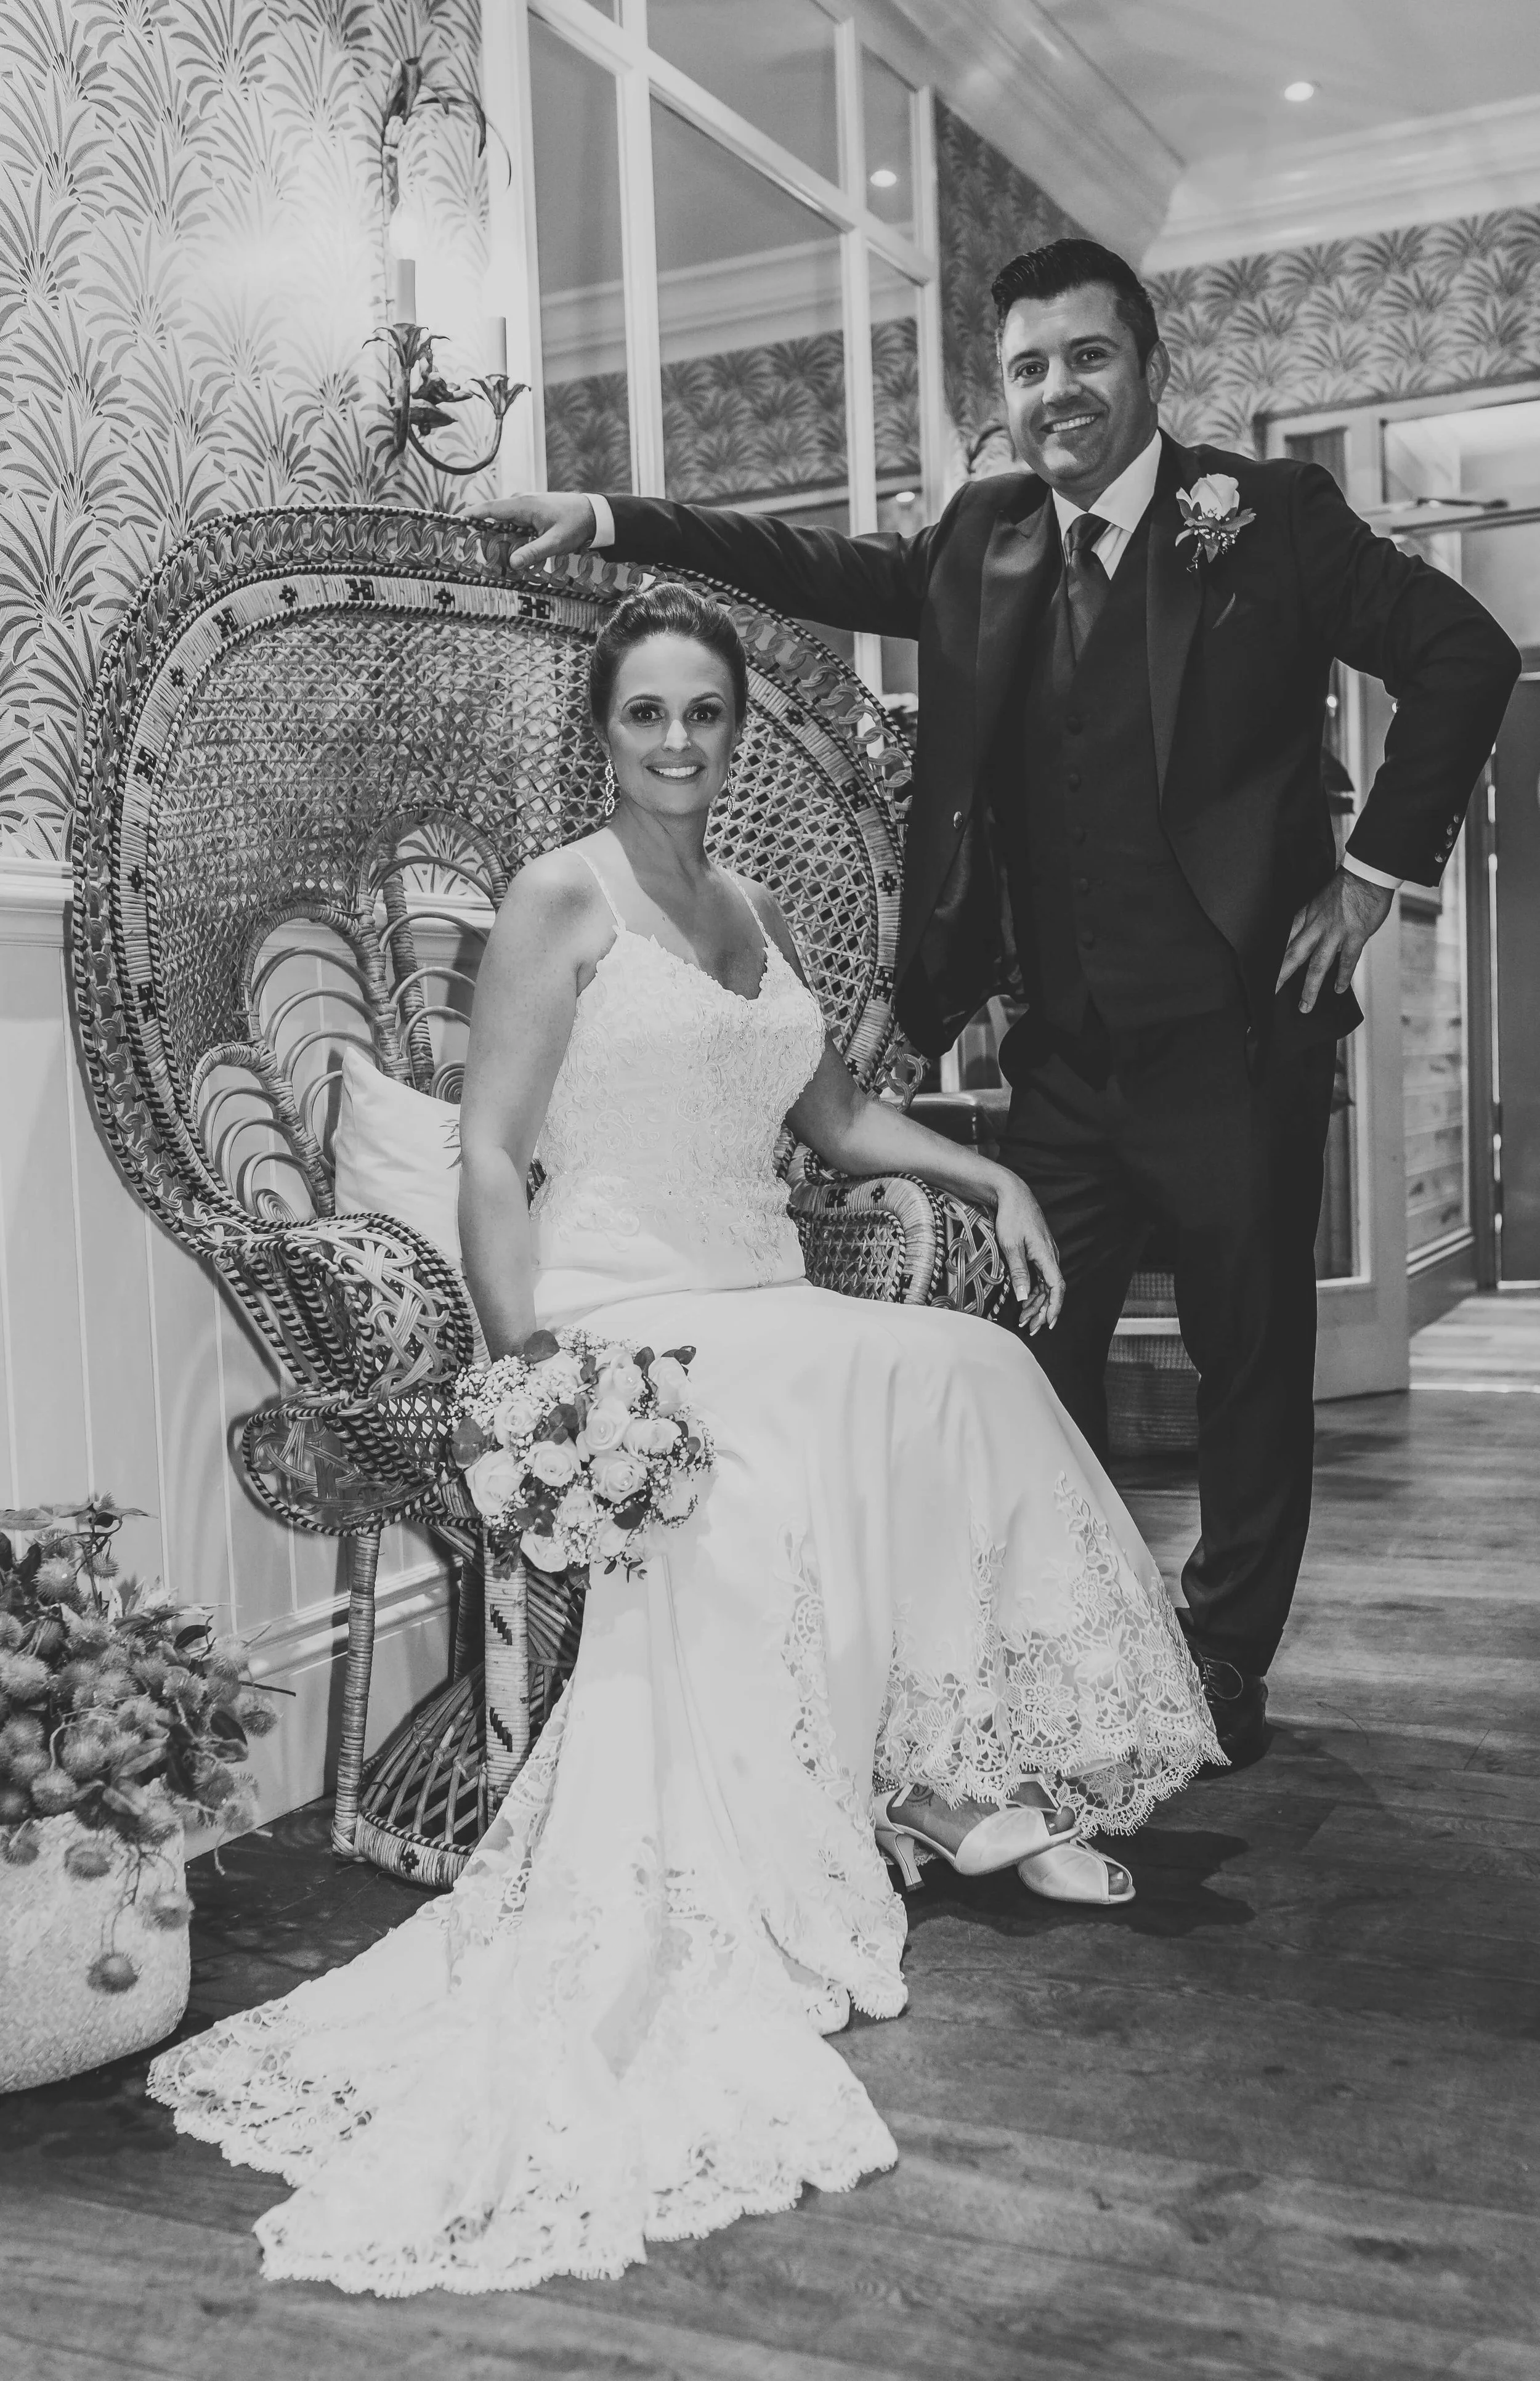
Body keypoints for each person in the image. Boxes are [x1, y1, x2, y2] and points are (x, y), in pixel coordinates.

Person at [148, 583, 1219, 2296]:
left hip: (766, 1285)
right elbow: (493, 1157)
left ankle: (967, 1772)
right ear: (606, 731)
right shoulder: (555, 899)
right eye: (644, 715)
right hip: (629, 1314)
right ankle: (932, 1800)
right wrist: (528, 1379)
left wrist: (988, 1169)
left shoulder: (743, 900)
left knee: (972, 1372)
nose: (675, 742)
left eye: (701, 715)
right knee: (793, 1448)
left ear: (731, 729)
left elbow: (832, 1112)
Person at [479, 237, 1520, 1771]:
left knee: (1245, 1366)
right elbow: (816, 568)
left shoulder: (1269, 518)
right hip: (1064, 1062)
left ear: (1147, 371)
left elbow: (1464, 654)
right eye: (1028, 370)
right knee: (1035, 1364)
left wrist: (1369, 875)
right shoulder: (982, 539)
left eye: (1085, 360)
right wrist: (618, 520)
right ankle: (1074, 1639)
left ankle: (1223, 1656)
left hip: (1233, 1041)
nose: (1057, 394)